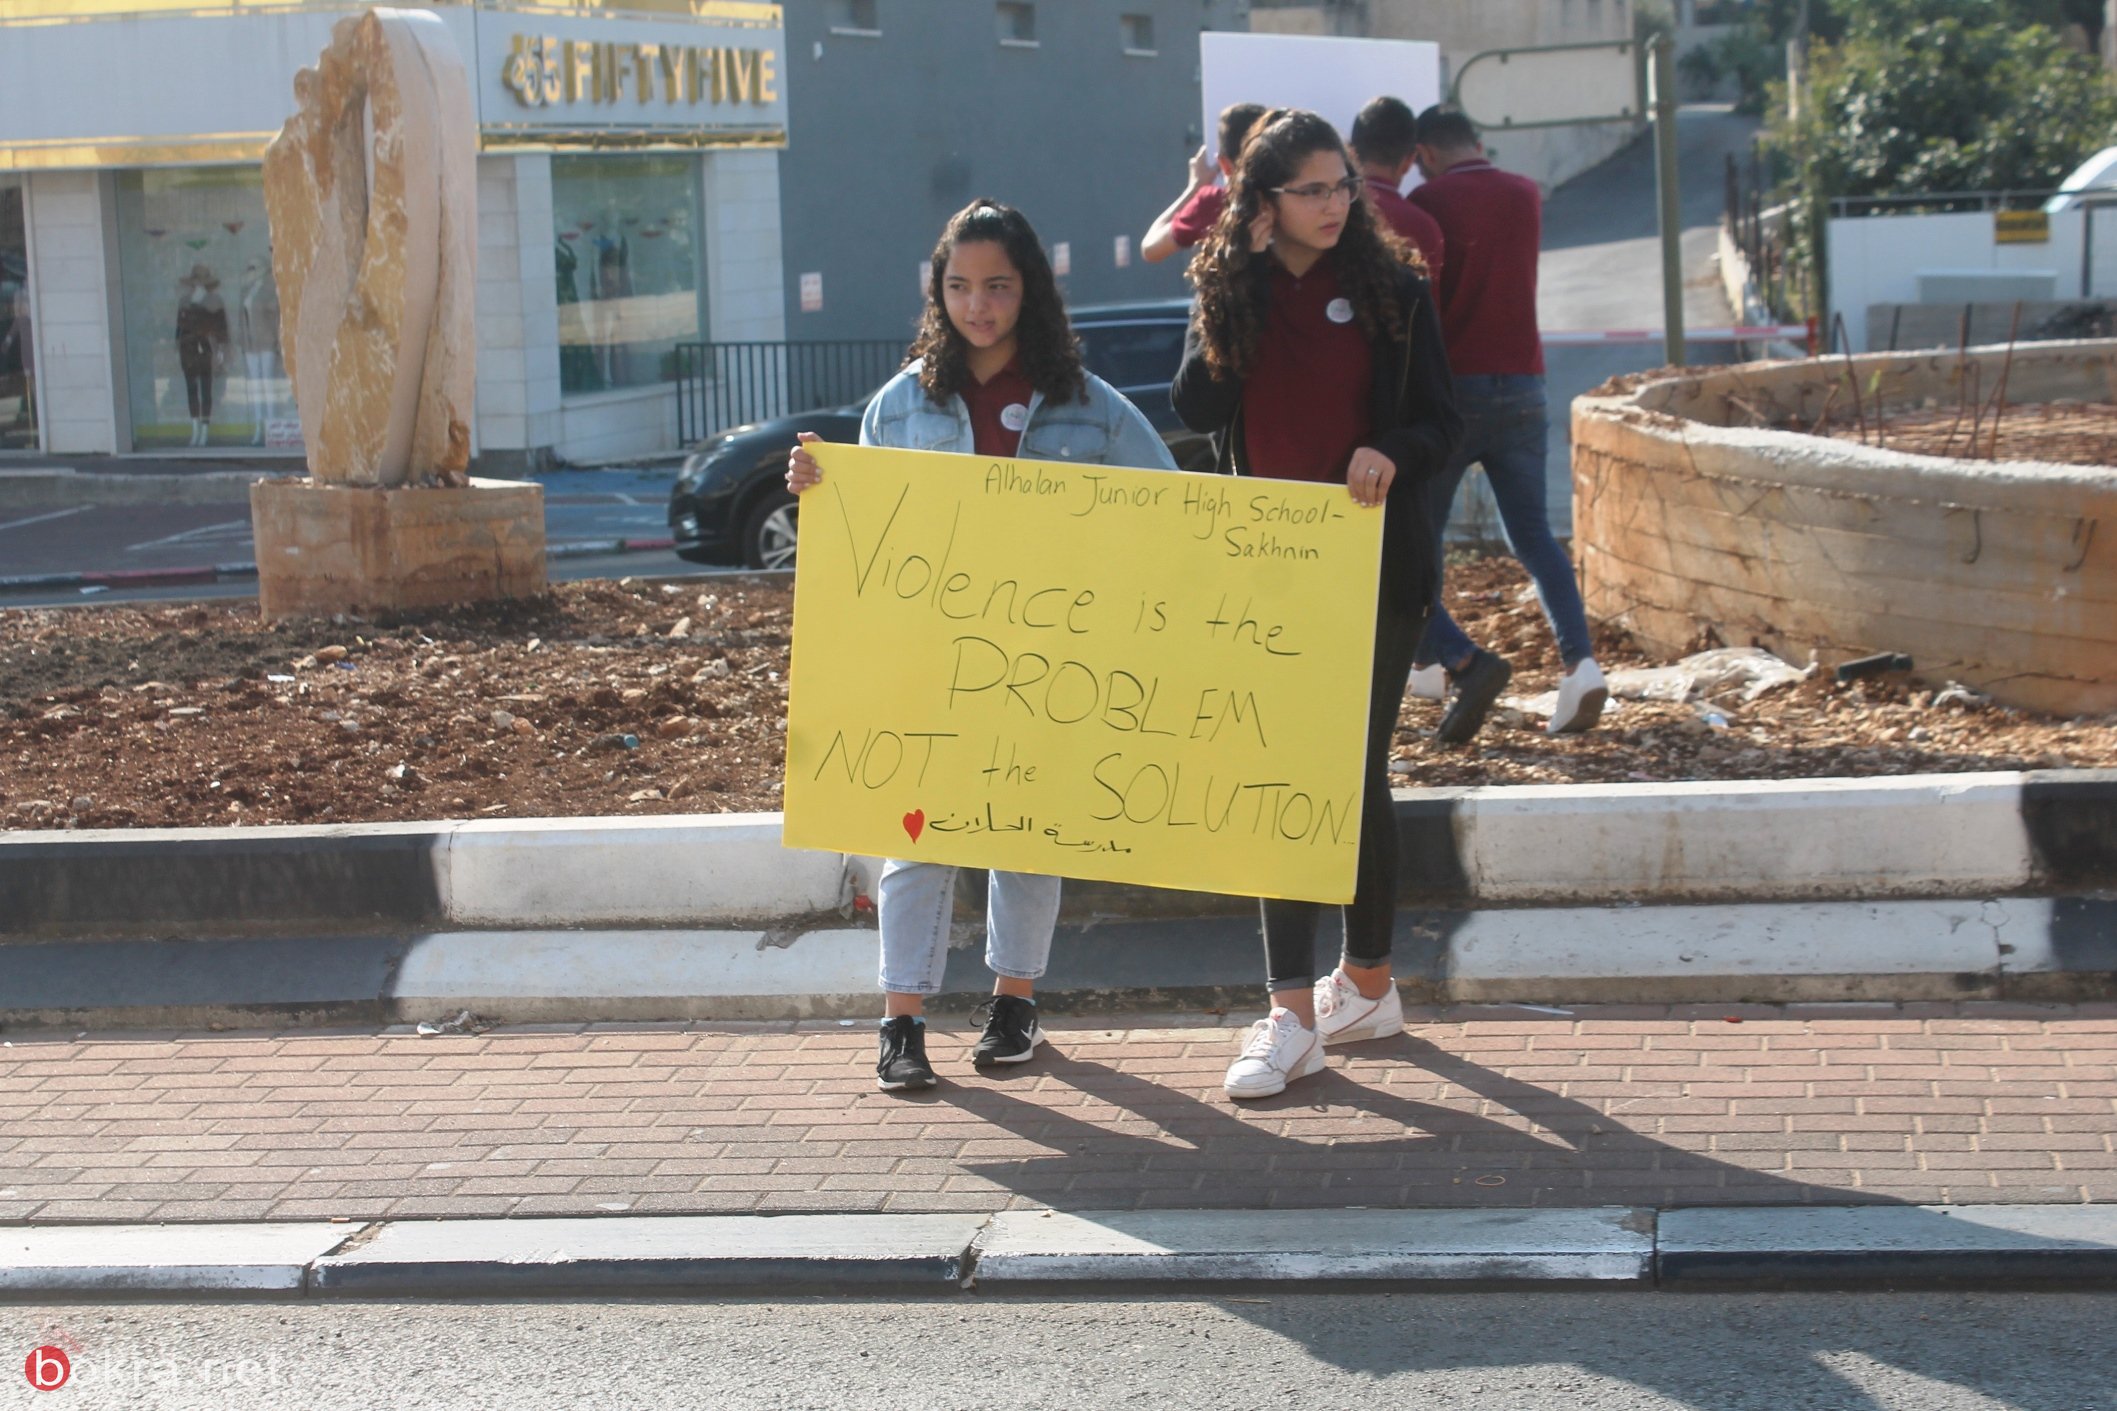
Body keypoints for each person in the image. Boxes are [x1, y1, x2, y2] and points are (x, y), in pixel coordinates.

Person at [785, 199, 1178, 1093]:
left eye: (997, 285)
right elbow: (861, 529)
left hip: (1046, 663)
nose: (978, 305)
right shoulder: (902, 402)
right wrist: (817, 482)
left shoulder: (1091, 408)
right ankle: (901, 1022)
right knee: (914, 837)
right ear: (938, 292)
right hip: (931, 660)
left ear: (1029, 289)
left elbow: (1169, 510)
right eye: (958, 286)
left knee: (1026, 835)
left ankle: (1014, 1003)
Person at [1172, 109, 1462, 1100]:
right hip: (1264, 571)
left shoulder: (1390, 286)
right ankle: (1293, 1011)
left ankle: (1366, 981)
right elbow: (1197, 409)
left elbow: (1442, 419)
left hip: (1375, 570)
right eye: (1310, 190)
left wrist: (1392, 450)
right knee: (1279, 773)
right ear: (1263, 202)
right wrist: (1241, 282)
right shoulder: (1228, 285)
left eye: (1342, 184)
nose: (1334, 204)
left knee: (1345, 770)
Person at [1408, 105, 1606, 742]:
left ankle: (1434, 660)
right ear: (1477, 141)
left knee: (1421, 540)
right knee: (1534, 537)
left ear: (1425, 153)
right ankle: (1581, 663)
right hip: (1524, 382)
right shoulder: (1525, 194)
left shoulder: (1429, 200)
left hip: (1454, 392)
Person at [1141, 102, 1266, 264]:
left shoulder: (1215, 203)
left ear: (1223, 164)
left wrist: (1195, 188)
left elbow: (1150, 249)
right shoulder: (1299, 196)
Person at [1347, 96, 1445, 279]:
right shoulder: (1423, 227)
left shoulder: (1332, 211)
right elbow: (1427, 305)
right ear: (1410, 160)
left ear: (1350, 150)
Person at [174, 264, 228, 448]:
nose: (199, 285)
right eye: (196, 281)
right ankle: (195, 428)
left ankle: (204, 429)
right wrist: (177, 346)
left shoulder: (214, 301)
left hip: (206, 349)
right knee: (191, 389)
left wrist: (221, 350)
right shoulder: (184, 301)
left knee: (206, 390)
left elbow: (221, 328)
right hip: (187, 349)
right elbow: (179, 328)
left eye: (201, 281)